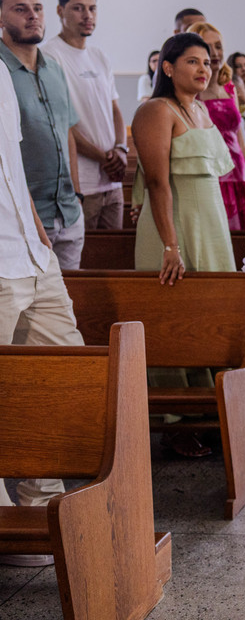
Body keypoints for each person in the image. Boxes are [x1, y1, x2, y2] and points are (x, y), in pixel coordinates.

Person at [131, 32, 236, 459]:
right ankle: (175, 424)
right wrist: (171, 245)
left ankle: (211, 412)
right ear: (168, 67)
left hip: (209, 224)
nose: (203, 69)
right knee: (174, 320)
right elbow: (157, 182)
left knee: (211, 316)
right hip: (174, 226)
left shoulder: (201, 109)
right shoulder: (155, 110)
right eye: (192, 61)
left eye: (207, 62)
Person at [0, 59, 86, 565]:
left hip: (31, 253)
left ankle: (42, 502)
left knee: (62, 380)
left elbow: (12, 164)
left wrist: (39, 239)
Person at [0, 0, 84, 270]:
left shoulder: (54, 70)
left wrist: (76, 192)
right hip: (19, 222)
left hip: (69, 214)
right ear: (0, 17)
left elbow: (67, 132)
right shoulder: (1, 73)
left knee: (71, 307)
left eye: (37, 8)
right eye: (20, 9)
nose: (33, 16)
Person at [42, 0, 127, 230]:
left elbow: (115, 110)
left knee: (114, 260)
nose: (87, 16)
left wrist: (121, 149)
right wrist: (103, 158)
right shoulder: (49, 56)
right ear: (60, 11)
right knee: (84, 262)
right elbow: (60, 121)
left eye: (92, 8)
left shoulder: (100, 56)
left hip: (112, 183)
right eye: (78, 8)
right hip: (82, 183)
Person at [189, 22, 245, 229]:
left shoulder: (229, 86)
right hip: (210, 174)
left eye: (218, 46)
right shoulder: (192, 91)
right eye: (207, 47)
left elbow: (241, 140)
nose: (215, 53)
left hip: (238, 171)